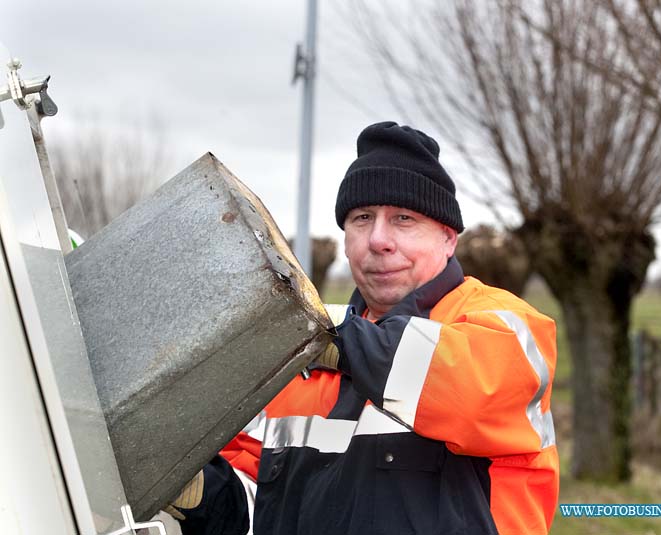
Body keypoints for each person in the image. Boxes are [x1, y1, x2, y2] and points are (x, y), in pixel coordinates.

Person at [171, 121, 559, 535]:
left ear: (448, 239)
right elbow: (263, 510)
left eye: (404, 219)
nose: (378, 239)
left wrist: (330, 339)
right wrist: (201, 493)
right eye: (362, 218)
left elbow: (464, 385)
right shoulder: (298, 367)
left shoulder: (504, 325)